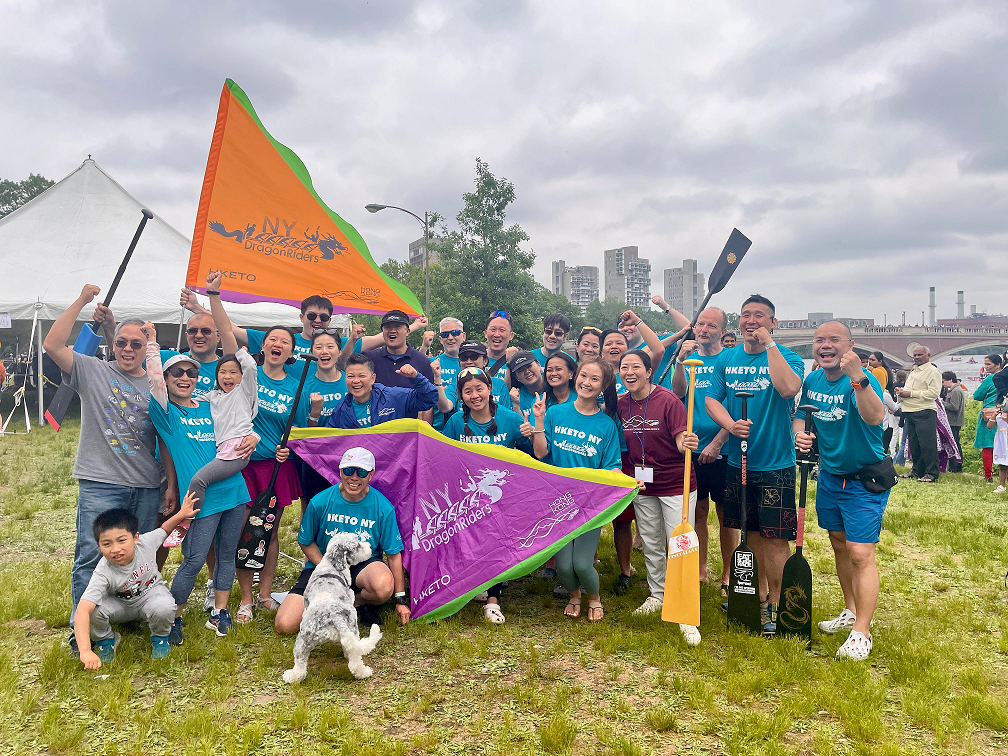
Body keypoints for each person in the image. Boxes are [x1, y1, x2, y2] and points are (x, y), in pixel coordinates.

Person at [43, 284, 162, 657]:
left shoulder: (157, 384)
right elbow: (52, 345)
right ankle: (87, 628)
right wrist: (81, 301)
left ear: (146, 347)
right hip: (100, 482)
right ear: (114, 346)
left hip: (146, 483)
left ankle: (134, 615)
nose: (128, 349)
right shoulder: (92, 371)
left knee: (139, 556)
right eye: (122, 343)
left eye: (136, 344)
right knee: (91, 557)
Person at [143, 332, 254, 643]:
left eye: (191, 372)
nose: (185, 377)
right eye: (176, 372)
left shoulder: (209, 404)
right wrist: (153, 343)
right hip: (200, 500)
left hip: (234, 490)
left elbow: (239, 423)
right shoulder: (165, 411)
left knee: (227, 554)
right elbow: (153, 381)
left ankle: (220, 613)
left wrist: (252, 437)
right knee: (193, 560)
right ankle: (173, 617)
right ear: (166, 378)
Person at [705, 294, 804, 636]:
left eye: (759, 316)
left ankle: (777, 603)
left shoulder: (787, 357)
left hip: (775, 463)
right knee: (749, 533)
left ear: (772, 323)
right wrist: (730, 425)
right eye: (746, 315)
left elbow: (789, 388)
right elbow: (710, 399)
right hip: (738, 462)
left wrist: (770, 346)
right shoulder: (727, 358)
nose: (751, 321)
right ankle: (757, 595)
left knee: (775, 538)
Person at [794, 321, 888, 661]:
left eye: (834, 339)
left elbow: (875, 417)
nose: (825, 345)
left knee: (860, 553)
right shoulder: (814, 379)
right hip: (831, 477)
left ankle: (862, 631)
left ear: (849, 345)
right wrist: (800, 435)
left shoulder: (863, 379)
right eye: (820, 340)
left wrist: (858, 378)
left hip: (865, 479)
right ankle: (850, 610)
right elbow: (803, 417)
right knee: (837, 544)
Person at [162, 272, 259, 548]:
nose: (199, 335)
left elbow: (227, 331)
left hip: (217, 457)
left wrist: (211, 296)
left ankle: (211, 584)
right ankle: (152, 585)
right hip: (175, 457)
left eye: (206, 330)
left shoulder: (231, 373)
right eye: (192, 331)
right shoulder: (175, 363)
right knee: (161, 527)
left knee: (211, 532)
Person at [529, 359, 625, 623]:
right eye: (584, 376)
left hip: (588, 503)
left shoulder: (606, 425)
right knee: (563, 565)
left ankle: (594, 598)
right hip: (557, 501)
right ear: (576, 377)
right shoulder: (556, 413)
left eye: (595, 379)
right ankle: (574, 595)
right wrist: (539, 418)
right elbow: (540, 453)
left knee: (582, 563)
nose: (587, 383)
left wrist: (627, 482)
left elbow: (612, 466)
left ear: (604, 386)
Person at [616, 350, 701, 645]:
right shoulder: (622, 403)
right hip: (642, 485)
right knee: (651, 542)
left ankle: (686, 610)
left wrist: (685, 442)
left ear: (649, 371)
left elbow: (680, 438)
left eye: (635, 366)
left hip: (675, 484)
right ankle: (658, 595)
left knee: (680, 545)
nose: (629, 372)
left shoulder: (668, 400)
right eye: (624, 367)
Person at [275, 447, 409, 633]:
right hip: (324, 565)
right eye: (348, 470)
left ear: (371, 474)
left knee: (383, 586)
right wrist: (326, 567)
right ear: (340, 471)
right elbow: (305, 541)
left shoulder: (383, 507)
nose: (354, 477)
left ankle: (353, 602)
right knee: (284, 625)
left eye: (361, 472)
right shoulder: (319, 502)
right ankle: (327, 603)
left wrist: (400, 599)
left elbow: (394, 555)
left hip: (363, 567)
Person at [444, 368, 532, 623]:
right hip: (468, 498)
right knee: (471, 543)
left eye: (479, 389)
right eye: (467, 391)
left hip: (500, 497)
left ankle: (493, 601)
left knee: (495, 544)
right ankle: (474, 584)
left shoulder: (510, 418)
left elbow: (532, 456)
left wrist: (530, 432)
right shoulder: (454, 423)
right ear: (460, 396)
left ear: (490, 389)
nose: (475, 395)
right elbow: (446, 459)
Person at [74, 495, 200, 669]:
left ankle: (160, 639)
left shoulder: (146, 543)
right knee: (94, 610)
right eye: (107, 544)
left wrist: (182, 513)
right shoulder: (102, 571)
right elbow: (82, 611)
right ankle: (106, 641)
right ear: (99, 546)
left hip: (150, 596)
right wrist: (86, 650)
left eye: (121, 540)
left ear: (135, 538)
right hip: (120, 606)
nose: (115, 549)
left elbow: (164, 529)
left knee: (165, 605)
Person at [236, 325, 304, 623]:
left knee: (269, 533)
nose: (278, 344)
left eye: (285, 342)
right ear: (262, 346)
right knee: (244, 531)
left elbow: (299, 433)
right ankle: (245, 599)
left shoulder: (295, 387)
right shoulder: (247, 376)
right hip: (242, 465)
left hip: (275, 468)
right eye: (272, 339)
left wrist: (287, 448)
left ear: (291, 351)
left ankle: (264, 595)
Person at [671, 307, 737, 595]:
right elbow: (678, 394)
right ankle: (699, 570)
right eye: (700, 324)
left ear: (722, 331)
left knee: (726, 516)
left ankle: (727, 574)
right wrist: (679, 362)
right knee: (697, 512)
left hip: (722, 450)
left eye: (712, 326)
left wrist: (718, 442)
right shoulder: (688, 358)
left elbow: (734, 408)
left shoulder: (730, 360)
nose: (704, 329)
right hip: (692, 450)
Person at [327, 353, 442, 429]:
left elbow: (430, 398)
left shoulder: (394, 397)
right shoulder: (340, 411)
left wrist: (416, 377)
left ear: (373, 378)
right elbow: (329, 441)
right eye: (350, 376)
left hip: (394, 464)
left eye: (362, 375)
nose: (356, 381)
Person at [363, 311, 437, 423]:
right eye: (387, 327)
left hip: (407, 431)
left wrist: (424, 433)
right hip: (375, 430)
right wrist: (354, 338)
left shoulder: (422, 362)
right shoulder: (369, 359)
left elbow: (428, 403)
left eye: (397, 326)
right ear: (382, 332)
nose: (392, 330)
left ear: (407, 331)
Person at [896, 345, 942, 483]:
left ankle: (932, 473)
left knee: (927, 443)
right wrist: (901, 391)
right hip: (909, 410)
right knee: (914, 444)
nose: (916, 357)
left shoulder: (932, 371)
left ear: (928, 356)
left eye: (920, 355)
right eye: (915, 355)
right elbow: (911, 389)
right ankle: (917, 471)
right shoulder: (914, 371)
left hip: (924, 410)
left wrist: (910, 393)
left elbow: (934, 393)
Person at [430, 317, 466, 432]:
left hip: (467, 432)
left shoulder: (472, 365)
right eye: (445, 334)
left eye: (455, 333)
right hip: (437, 431)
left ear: (463, 336)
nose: (450, 338)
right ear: (440, 339)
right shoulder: (431, 363)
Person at [973, 354, 1002, 482]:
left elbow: (977, 395)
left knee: (987, 446)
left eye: (988, 364)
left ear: (998, 364)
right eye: (985, 364)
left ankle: (988, 476)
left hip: (989, 414)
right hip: (1004, 413)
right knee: (1004, 446)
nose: (985, 367)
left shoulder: (990, 378)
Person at [509, 350, 545, 418]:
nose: (526, 372)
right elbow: (519, 426)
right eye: (521, 370)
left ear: (539, 365)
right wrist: (516, 406)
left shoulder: (555, 388)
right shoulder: (516, 399)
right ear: (516, 377)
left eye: (529, 366)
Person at [942, 371, 965, 473]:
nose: (943, 384)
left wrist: (942, 402)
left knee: (954, 444)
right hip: (954, 421)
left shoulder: (955, 391)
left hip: (954, 422)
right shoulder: (956, 390)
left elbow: (954, 407)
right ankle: (955, 466)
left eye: (943, 382)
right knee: (955, 443)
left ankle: (955, 467)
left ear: (950, 380)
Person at [484, 311, 515, 384]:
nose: (497, 334)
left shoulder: (517, 362)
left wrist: (511, 363)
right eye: (493, 330)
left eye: (502, 330)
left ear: (511, 336)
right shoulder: (473, 358)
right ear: (486, 333)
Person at [989, 403, 1008, 493]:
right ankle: (1001, 485)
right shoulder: (998, 415)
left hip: (1006, 436)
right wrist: (993, 416)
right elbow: (989, 426)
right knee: (1002, 463)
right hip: (1000, 439)